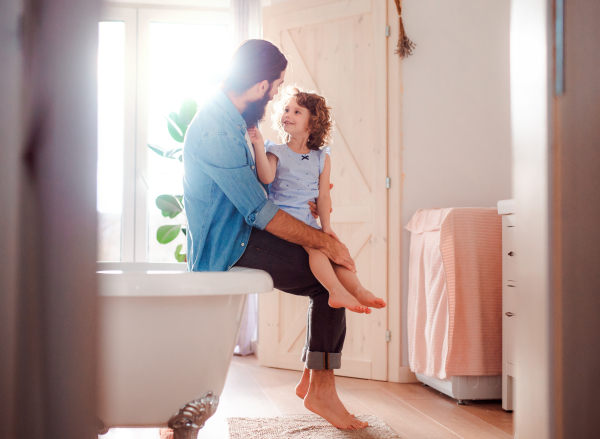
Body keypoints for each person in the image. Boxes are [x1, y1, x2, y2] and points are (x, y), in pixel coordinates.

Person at [182, 39, 367, 430]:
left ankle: (315, 381)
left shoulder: (235, 120)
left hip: (242, 232)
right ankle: (321, 389)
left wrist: (308, 205)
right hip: (231, 243)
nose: (275, 102)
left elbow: (263, 187)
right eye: (276, 87)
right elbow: (258, 210)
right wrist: (322, 239)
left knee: (328, 270)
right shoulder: (217, 130)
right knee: (326, 280)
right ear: (262, 85)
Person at [247, 87, 386, 314]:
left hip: (308, 220)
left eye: (297, 112)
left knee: (335, 250)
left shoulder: (321, 157)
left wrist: (326, 228)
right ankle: (335, 290)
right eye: (286, 109)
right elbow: (266, 177)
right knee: (318, 249)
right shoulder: (276, 151)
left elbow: (323, 195)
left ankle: (358, 290)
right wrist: (259, 146)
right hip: (285, 218)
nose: (287, 114)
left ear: (311, 125)